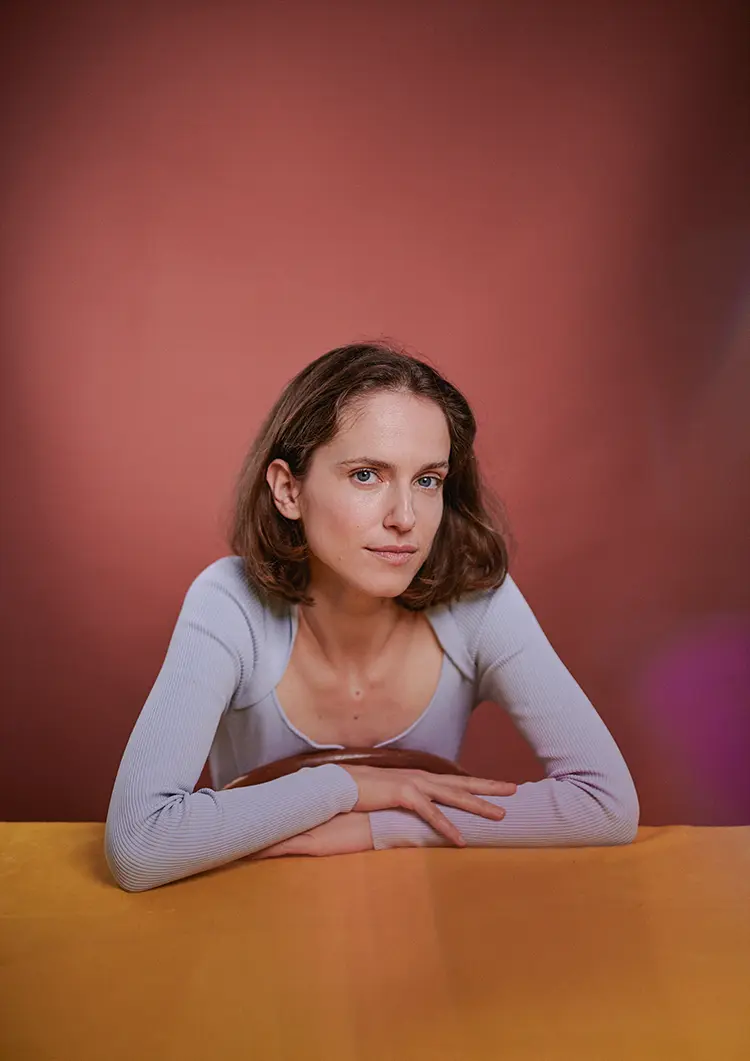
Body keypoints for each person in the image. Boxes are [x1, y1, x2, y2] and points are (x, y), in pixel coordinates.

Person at [105, 342, 639, 892]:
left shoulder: (481, 602)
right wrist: (346, 786)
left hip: (420, 926)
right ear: (289, 490)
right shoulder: (229, 601)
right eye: (367, 475)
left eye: (427, 480)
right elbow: (141, 844)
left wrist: (380, 826)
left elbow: (606, 805)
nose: (405, 518)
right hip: (253, 926)